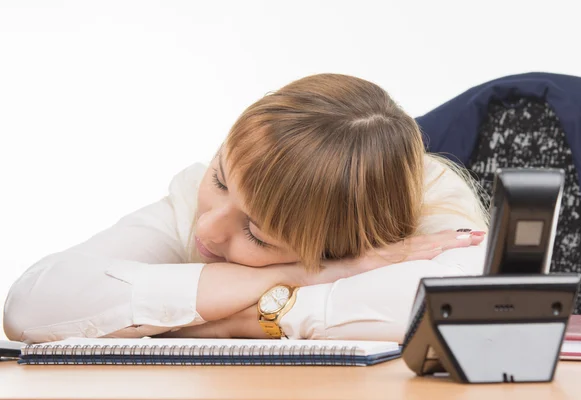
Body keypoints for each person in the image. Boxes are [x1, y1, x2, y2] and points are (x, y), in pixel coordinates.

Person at [3, 74, 488, 344]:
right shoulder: (197, 203)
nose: (208, 229)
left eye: (257, 235)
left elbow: (462, 310)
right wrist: (314, 275)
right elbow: (33, 303)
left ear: (352, 243)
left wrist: (221, 322)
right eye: (220, 179)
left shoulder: (437, 208)